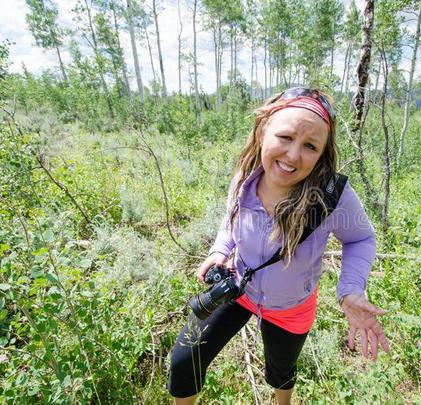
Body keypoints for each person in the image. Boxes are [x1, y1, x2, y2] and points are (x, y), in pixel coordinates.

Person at [167, 87, 390, 405]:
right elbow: (231, 222)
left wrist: (352, 289)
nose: (293, 155)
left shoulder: (330, 196)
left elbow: (361, 239)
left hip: (291, 308)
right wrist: (220, 250)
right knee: (183, 359)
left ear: (322, 153)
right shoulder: (245, 175)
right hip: (238, 290)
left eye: (310, 146)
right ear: (262, 131)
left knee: (281, 371)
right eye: (285, 137)